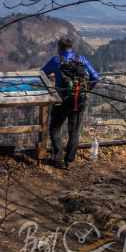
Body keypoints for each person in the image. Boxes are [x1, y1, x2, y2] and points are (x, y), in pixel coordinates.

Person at [42, 38, 99, 169]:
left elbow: (42, 73)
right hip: (79, 100)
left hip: (61, 100)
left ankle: (58, 157)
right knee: (74, 131)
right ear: (71, 47)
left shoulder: (56, 61)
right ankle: (70, 160)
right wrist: (87, 90)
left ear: (59, 48)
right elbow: (96, 77)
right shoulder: (82, 60)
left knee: (55, 129)